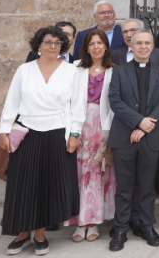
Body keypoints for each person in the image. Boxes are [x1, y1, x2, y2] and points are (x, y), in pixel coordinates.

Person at [0, 26, 84, 256]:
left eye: (57, 42)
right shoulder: (24, 70)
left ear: (62, 46)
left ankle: (40, 233)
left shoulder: (70, 71)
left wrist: (75, 134)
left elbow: (77, 106)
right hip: (28, 132)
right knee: (23, 184)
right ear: (39, 45)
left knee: (49, 185)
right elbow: (12, 102)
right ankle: (22, 232)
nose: (53, 46)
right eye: (48, 42)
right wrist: (3, 131)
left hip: (58, 133)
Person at [107, 29, 159, 251]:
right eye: (138, 43)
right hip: (124, 136)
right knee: (124, 186)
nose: (143, 46)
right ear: (131, 46)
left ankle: (147, 225)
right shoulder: (119, 72)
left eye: (147, 43)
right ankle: (121, 228)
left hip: (150, 137)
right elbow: (115, 101)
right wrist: (138, 122)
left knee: (146, 185)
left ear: (153, 47)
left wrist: (143, 127)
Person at [66, 29, 117, 243]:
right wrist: (71, 130)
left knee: (98, 174)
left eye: (100, 42)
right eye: (92, 43)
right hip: (79, 125)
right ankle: (80, 222)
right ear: (86, 47)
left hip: (104, 126)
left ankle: (94, 220)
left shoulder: (115, 70)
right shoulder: (73, 68)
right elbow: (66, 100)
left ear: (106, 46)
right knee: (79, 174)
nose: (96, 47)